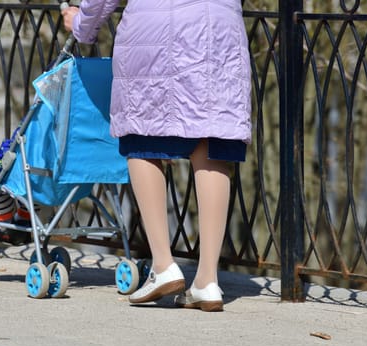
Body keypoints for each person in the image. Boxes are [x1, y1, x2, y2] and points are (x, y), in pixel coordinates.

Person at [62, 0, 251, 312]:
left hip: (155, 34)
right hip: (220, 32)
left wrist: (83, 24)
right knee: (212, 142)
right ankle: (207, 280)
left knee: (143, 136)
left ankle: (163, 265)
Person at [0, 128, 32, 246]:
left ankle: (4, 226)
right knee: (39, 187)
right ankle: (24, 219)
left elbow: (12, 146)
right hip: (65, 183)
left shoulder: (37, 118)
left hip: (28, 177)